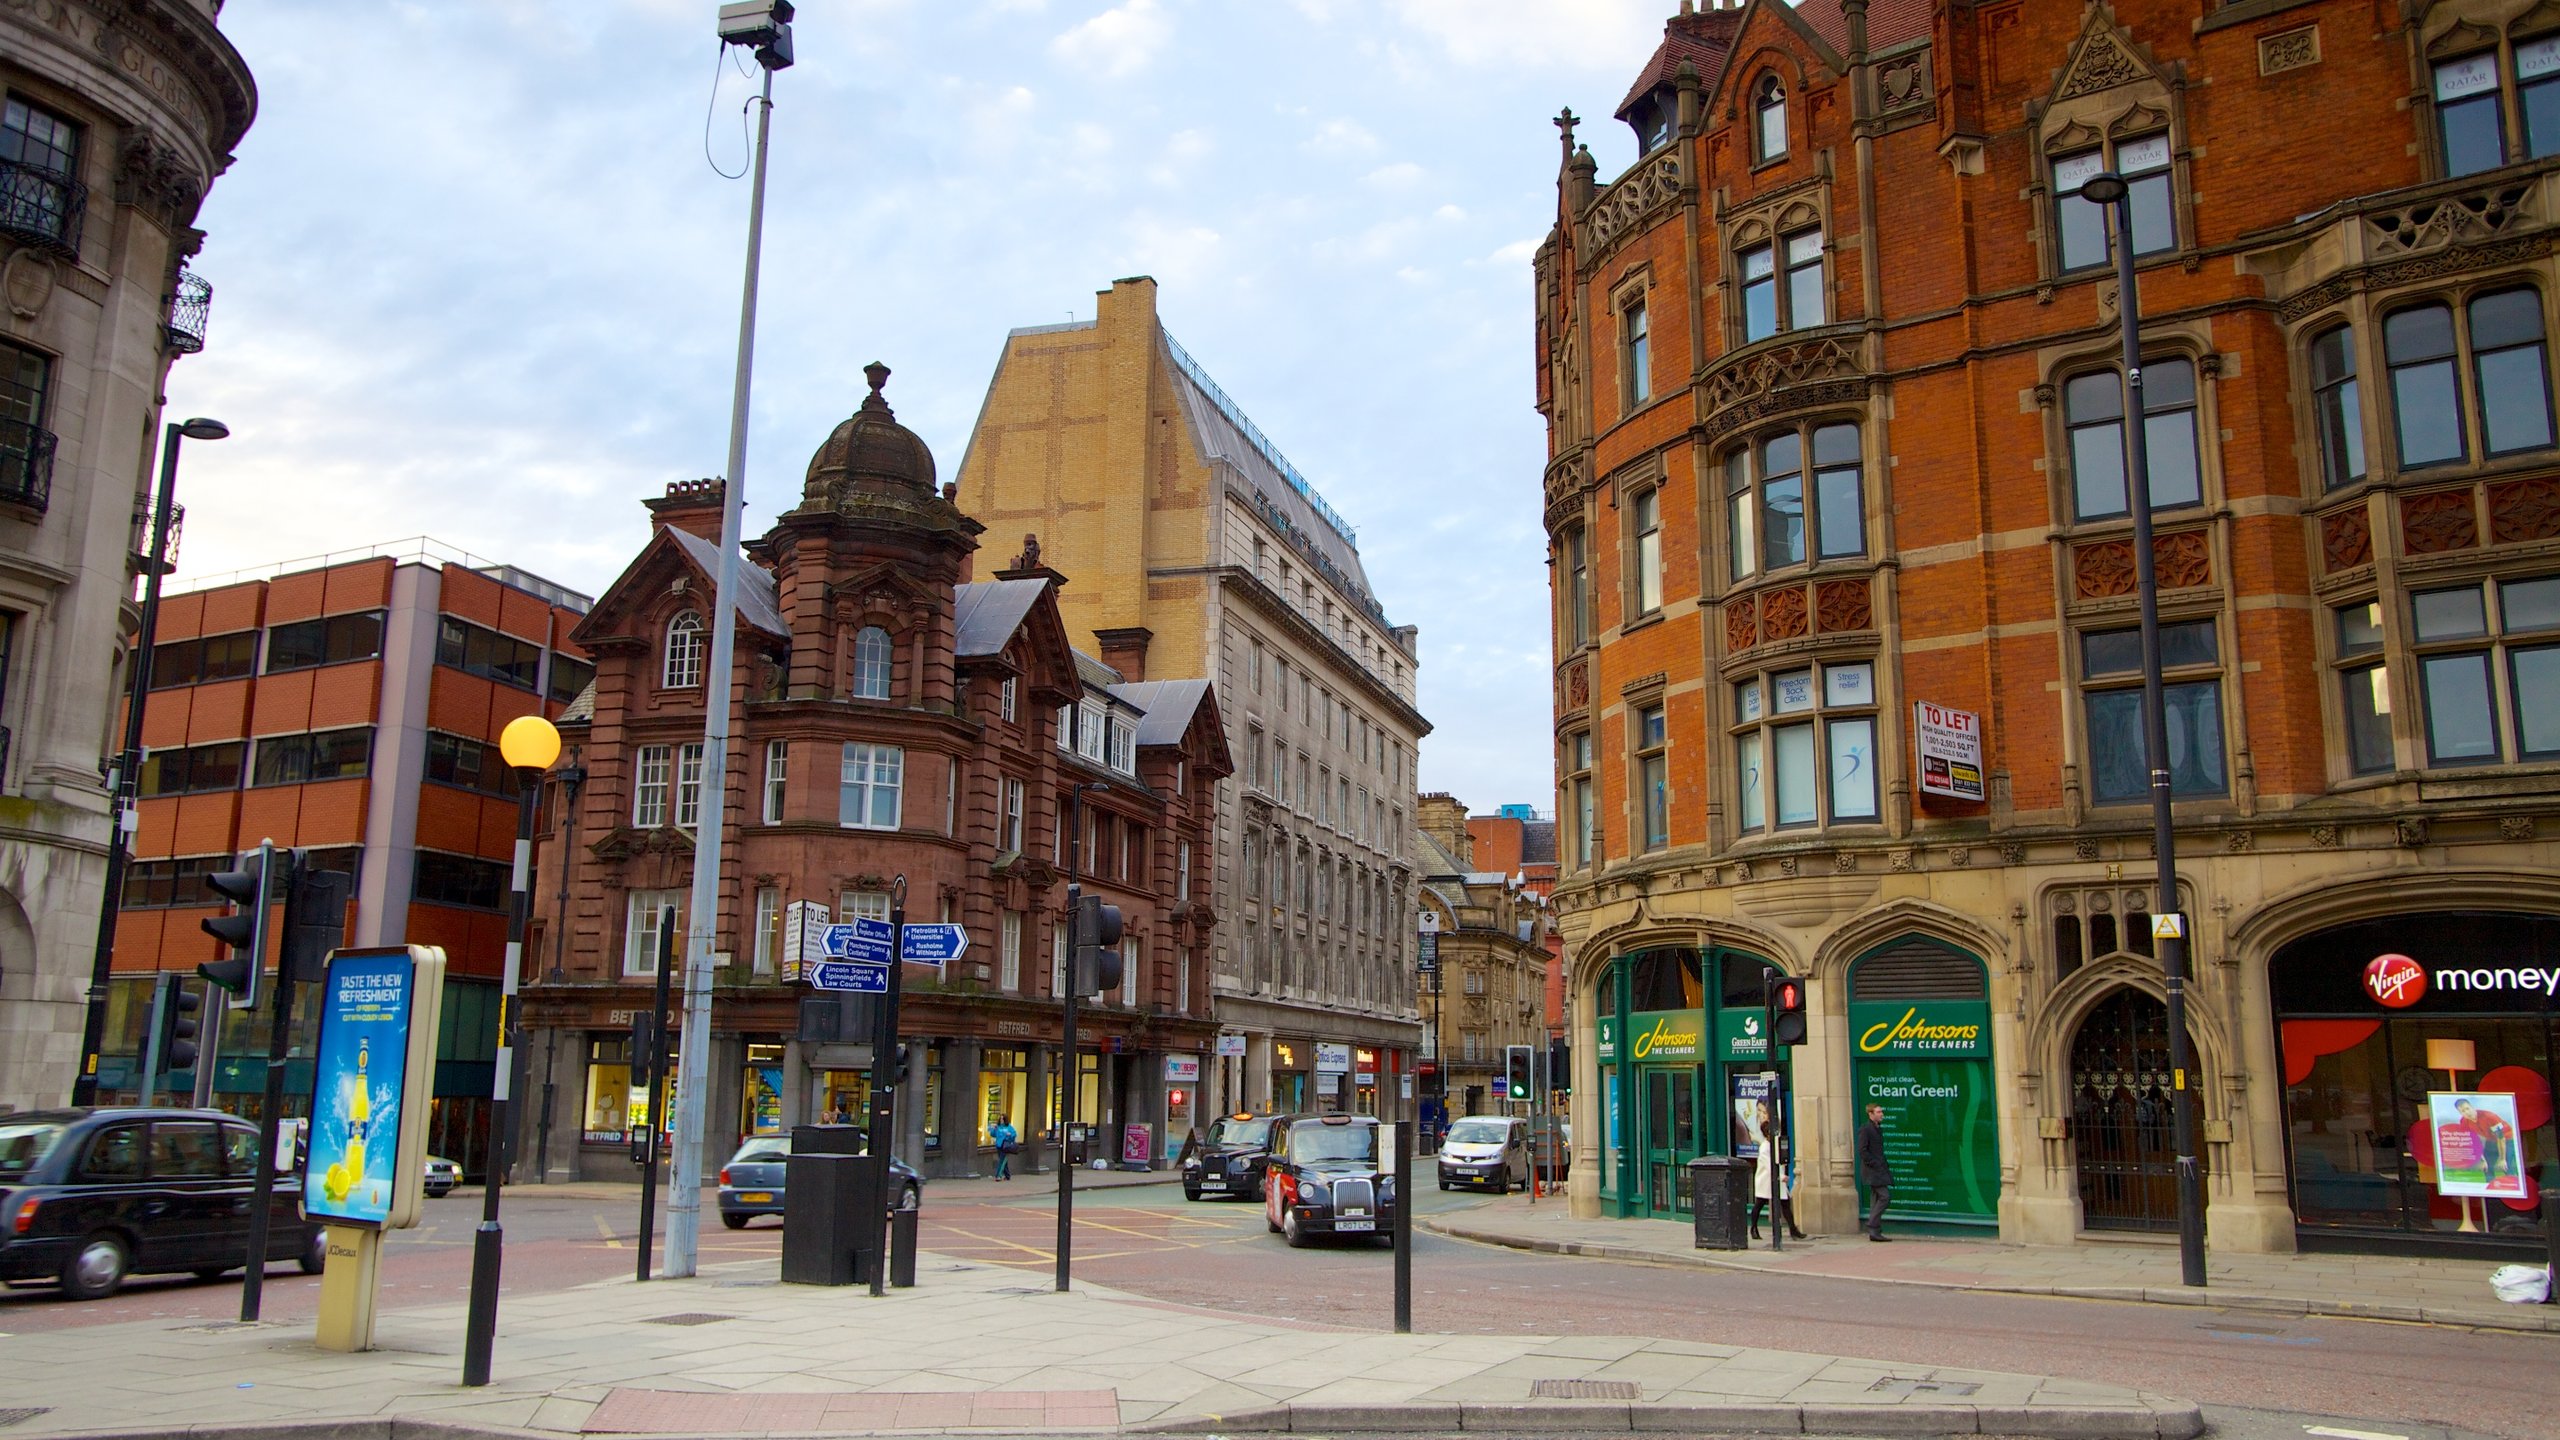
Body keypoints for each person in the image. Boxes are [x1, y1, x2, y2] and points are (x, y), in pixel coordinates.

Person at [1749, 1112, 1804, 1242]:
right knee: (1759, 1204)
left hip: (1777, 1180)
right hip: (1765, 1180)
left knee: (1785, 1205)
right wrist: (1781, 1176)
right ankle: (1754, 1228)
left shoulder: (1774, 1145)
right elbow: (1769, 1165)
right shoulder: (1764, 1148)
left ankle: (1793, 1230)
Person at [1857, 1102, 1892, 1241]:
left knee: (1875, 1198)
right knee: (1885, 1197)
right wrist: (1875, 1164)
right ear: (1871, 1114)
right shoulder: (1866, 1129)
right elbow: (1862, 1150)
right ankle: (1872, 1223)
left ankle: (1874, 1232)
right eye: (1878, 1112)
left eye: (1881, 1111)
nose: (1881, 1114)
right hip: (1873, 1170)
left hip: (1879, 1169)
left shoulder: (1878, 1128)